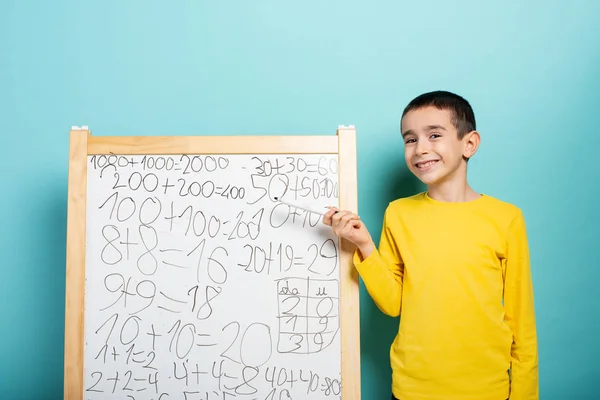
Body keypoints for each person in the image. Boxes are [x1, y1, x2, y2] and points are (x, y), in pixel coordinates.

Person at [323, 90, 538, 400]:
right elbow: (392, 302)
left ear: (469, 143)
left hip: (487, 389)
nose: (420, 149)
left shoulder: (506, 219)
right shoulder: (398, 213)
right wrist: (364, 245)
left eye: (434, 135)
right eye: (410, 139)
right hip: (413, 388)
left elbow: (522, 322)